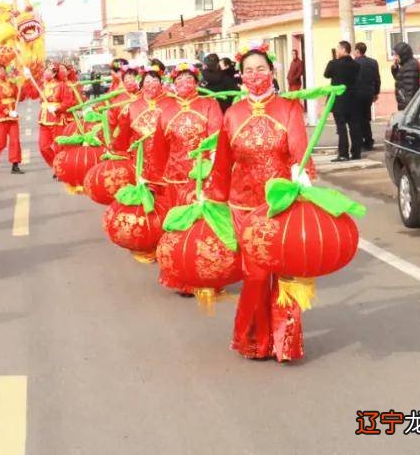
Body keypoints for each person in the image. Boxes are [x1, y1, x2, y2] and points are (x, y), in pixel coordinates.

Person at [214, 47, 315, 362]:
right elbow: (222, 161)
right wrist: (213, 194)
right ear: (241, 76)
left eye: (261, 69)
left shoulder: (288, 109)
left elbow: (300, 150)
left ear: (272, 72)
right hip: (244, 207)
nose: (255, 75)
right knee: (256, 277)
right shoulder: (232, 114)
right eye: (249, 70)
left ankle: (285, 343)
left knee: (285, 275)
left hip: (280, 205)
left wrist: (302, 176)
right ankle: (255, 340)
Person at [154, 64, 224, 294]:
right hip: (175, 177)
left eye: (189, 78)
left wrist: (214, 168)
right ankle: (181, 276)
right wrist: (160, 175)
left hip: (203, 176)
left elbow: (217, 137)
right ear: (173, 83)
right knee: (179, 227)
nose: (185, 82)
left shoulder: (209, 105)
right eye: (180, 78)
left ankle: (209, 273)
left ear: (196, 81)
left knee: (204, 228)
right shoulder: (166, 109)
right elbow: (159, 146)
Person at [110, 62, 174, 197]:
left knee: (165, 192)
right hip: (140, 156)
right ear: (142, 84)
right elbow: (125, 132)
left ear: (161, 83)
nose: (152, 84)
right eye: (148, 81)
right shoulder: (133, 106)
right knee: (146, 194)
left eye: (155, 80)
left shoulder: (171, 102)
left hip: (166, 156)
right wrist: (116, 148)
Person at [323, 41, 362, 162]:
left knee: (341, 128)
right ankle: (356, 153)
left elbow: (326, 74)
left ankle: (343, 154)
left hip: (339, 101)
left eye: (338, 49)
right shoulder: (356, 65)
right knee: (354, 127)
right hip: (353, 99)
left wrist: (333, 61)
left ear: (344, 50)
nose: (337, 51)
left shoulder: (333, 64)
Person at [0, 64, 24, 174]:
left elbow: (19, 97)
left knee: (15, 141)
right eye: (1, 70)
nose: (3, 72)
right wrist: (7, 112)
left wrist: (21, 86)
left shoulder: (11, 83)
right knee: (1, 142)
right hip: (1, 117)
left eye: (4, 70)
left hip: (13, 116)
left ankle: (15, 164)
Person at [37, 63, 75, 167]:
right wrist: (27, 80)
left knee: (59, 146)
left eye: (48, 71)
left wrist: (57, 107)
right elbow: (33, 94)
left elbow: (68, 102)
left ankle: (61, 166)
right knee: (43, 147)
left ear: (54, 74)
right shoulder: (43, 85)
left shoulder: (62, 85)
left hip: (56, 118)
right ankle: (55, 165)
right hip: (44, 119)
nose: (45, 73)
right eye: (46, 71)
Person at [353, 42, 380, 151]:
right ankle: (369, 141)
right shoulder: (373, 62)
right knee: (366, 118)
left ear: (357, 51)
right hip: (369, 93)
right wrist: (376, 93)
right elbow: (377, 79)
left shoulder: (354, 63)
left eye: (354, 51)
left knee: (358, 119)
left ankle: (361, 142)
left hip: (357, 94)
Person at [391, 43, 420, 110]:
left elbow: (410, 90)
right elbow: (400, 80)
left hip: (407, 106)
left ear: (403, 55)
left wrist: (407, 108)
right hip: (404, 104)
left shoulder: (410, 66)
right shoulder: (405, 65)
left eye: (396, 55)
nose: (395, 57)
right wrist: (395, 68)